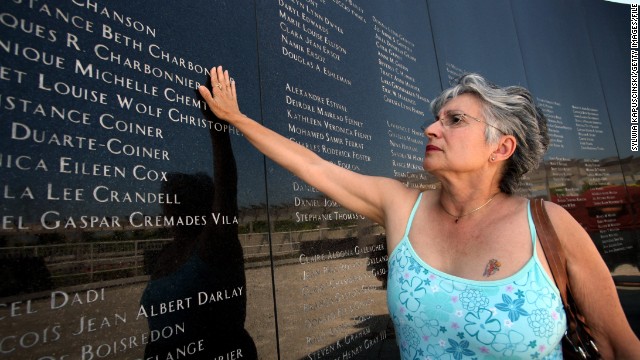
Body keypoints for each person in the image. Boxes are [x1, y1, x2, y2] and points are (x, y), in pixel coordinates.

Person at [198, 66, 640, 359]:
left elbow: (620, 347)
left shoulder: (549, 226)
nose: (432, 127)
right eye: (436, 118)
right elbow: (314, 166)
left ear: (501, 148)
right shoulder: (400, 207)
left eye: (455, 120)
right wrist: (236, 119)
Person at [140, 93, 257, 360]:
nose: (168, 207)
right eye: (168, 201)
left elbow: (227, 190)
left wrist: (218, 126)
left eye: (177, 201)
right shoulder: (168, 253)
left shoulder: (213, 245)